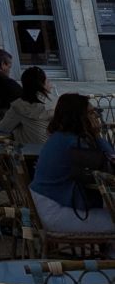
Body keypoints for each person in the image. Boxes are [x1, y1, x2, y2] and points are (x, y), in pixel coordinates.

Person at [30, 93, 115, 236]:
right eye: (91, 113)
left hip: (46, 205)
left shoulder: (60, 137)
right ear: (79, 117)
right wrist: (96, 135)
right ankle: (110, 256)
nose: (96, 117)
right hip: (57, 211)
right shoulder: (74, 144)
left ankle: (108, 254)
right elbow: (109, 165)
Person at [0, 66, 51, 148]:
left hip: (29, 156)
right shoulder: (53, 104)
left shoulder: (19, 106)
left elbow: (3, 128)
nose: (51, 85)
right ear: (42, 85)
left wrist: (17, 130)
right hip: (52, 152)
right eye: (48, 81)